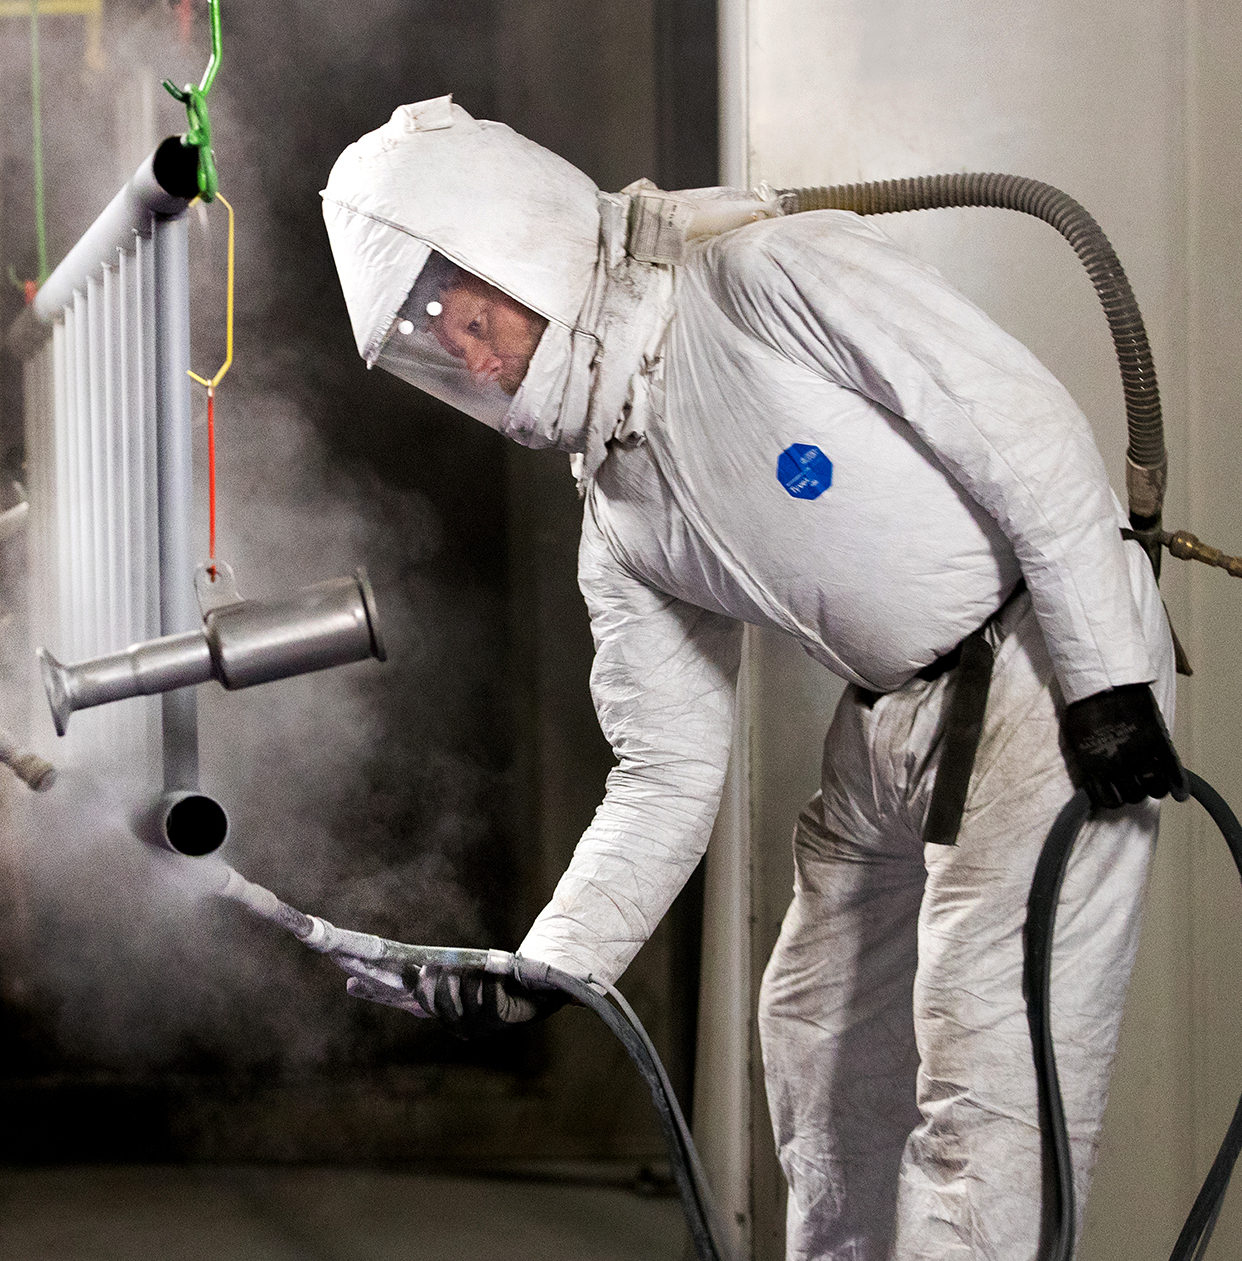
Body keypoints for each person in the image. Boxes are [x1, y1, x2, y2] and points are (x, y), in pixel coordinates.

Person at [320, 96, 1184, 1260]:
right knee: (815, 1025)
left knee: (987, 1093)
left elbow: (1019, 430)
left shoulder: (768, 279)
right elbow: (664, 774)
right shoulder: (617, 517)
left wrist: (1105, 683)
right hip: (890, 718)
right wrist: (546, 971)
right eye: (438, 346)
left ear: (517, 235)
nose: (471, 358)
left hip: (1043, 674)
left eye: (467, 311)